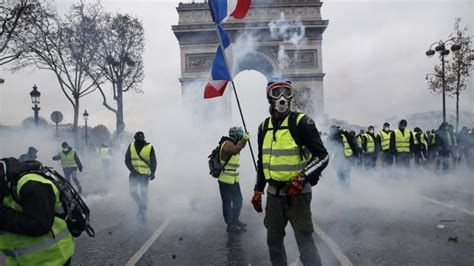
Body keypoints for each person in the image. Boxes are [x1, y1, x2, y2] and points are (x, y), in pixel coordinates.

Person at [251, 80, 329, 266]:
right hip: (273, 195)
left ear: (292, 95)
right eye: (276, 92)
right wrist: (258, 189)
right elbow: (263, 161)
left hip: (298, 195)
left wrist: (302, 178)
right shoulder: (263, 127)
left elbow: (323, 156)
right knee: (273, 242)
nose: (282, 97)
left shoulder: (302, 122)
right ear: (269, 97)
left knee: (305, 242)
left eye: (286, 92)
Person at [0, 157, 74, 265]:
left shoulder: (31, 185)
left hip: (51, 259)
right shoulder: (4, 185)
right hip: (20, 261)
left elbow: (40, 225)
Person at [217, 126, 250, 233]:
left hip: (234, 180)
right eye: (240, 137)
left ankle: (235, 220)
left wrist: (243, 141)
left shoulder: (234, 143)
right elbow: (234, 151)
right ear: (235, 136)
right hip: (225, 180)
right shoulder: (227, 143)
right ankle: (230, 224)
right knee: (227, 202)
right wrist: (245, 139)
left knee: (238, 200)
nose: (240, 139)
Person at [125, 131, 156, 222]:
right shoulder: (131, 146)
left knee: (143, 193)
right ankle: (141, 206)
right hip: (135, 174)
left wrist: (153, 172)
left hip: (144, 174)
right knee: (133, 192)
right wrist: (132, 169)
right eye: (138, 137)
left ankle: (143, 212)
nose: (140, 139)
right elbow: (127, 160)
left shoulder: (149, 147)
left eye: (141, 137)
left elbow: (153, 160)